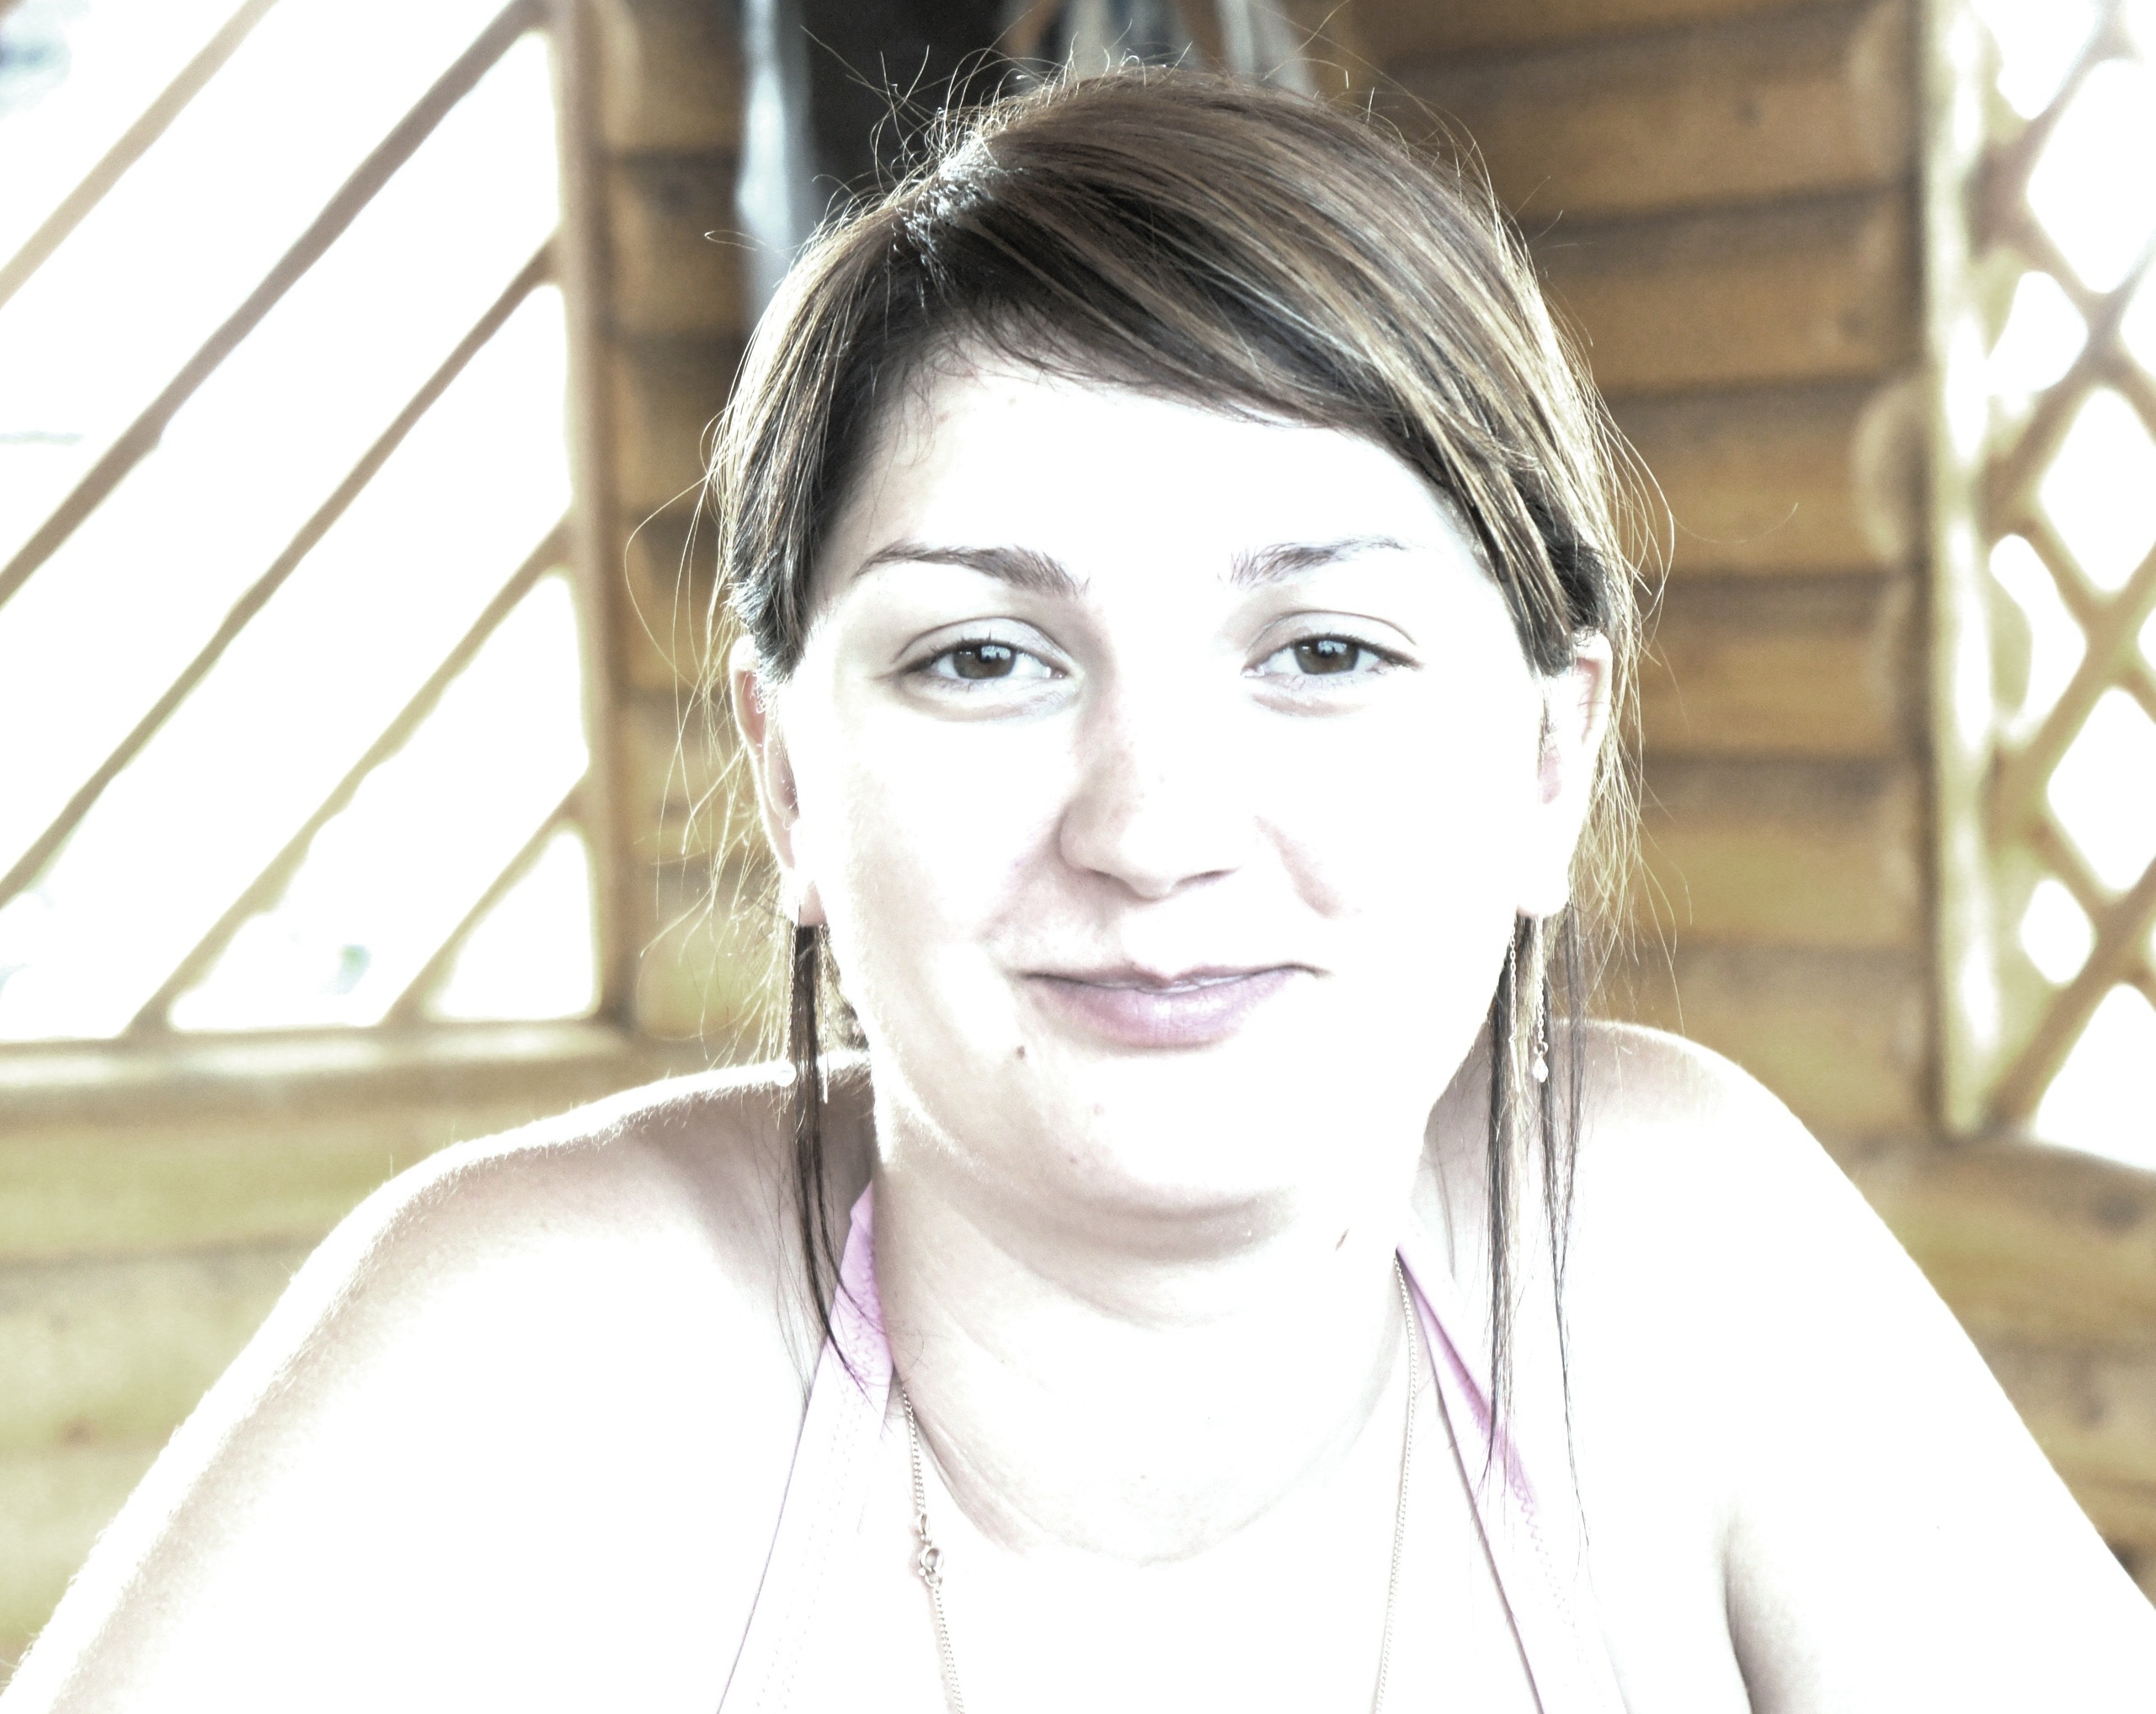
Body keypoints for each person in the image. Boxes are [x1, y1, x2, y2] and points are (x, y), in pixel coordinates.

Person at [8, 69, 2152, 1714]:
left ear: (1543, 759)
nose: (1151, 830)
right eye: (981, 658)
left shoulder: (1673, 1248)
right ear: (785, 776)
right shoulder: (536, 1347)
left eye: (1323, 650)